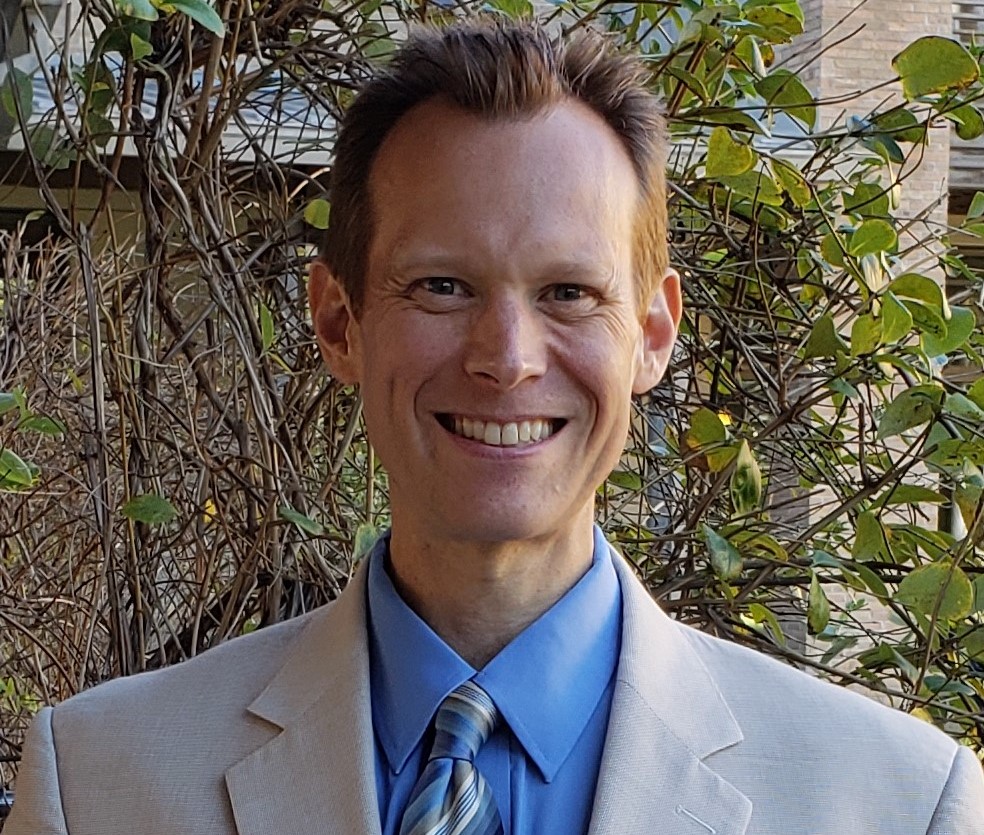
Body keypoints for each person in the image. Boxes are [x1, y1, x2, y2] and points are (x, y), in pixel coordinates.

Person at [6, 17, 984, 835]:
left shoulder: (895, 802)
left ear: (652, 335)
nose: (506, 354)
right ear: (340, 322)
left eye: (567, 291)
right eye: (442, 284)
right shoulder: (97, 785)